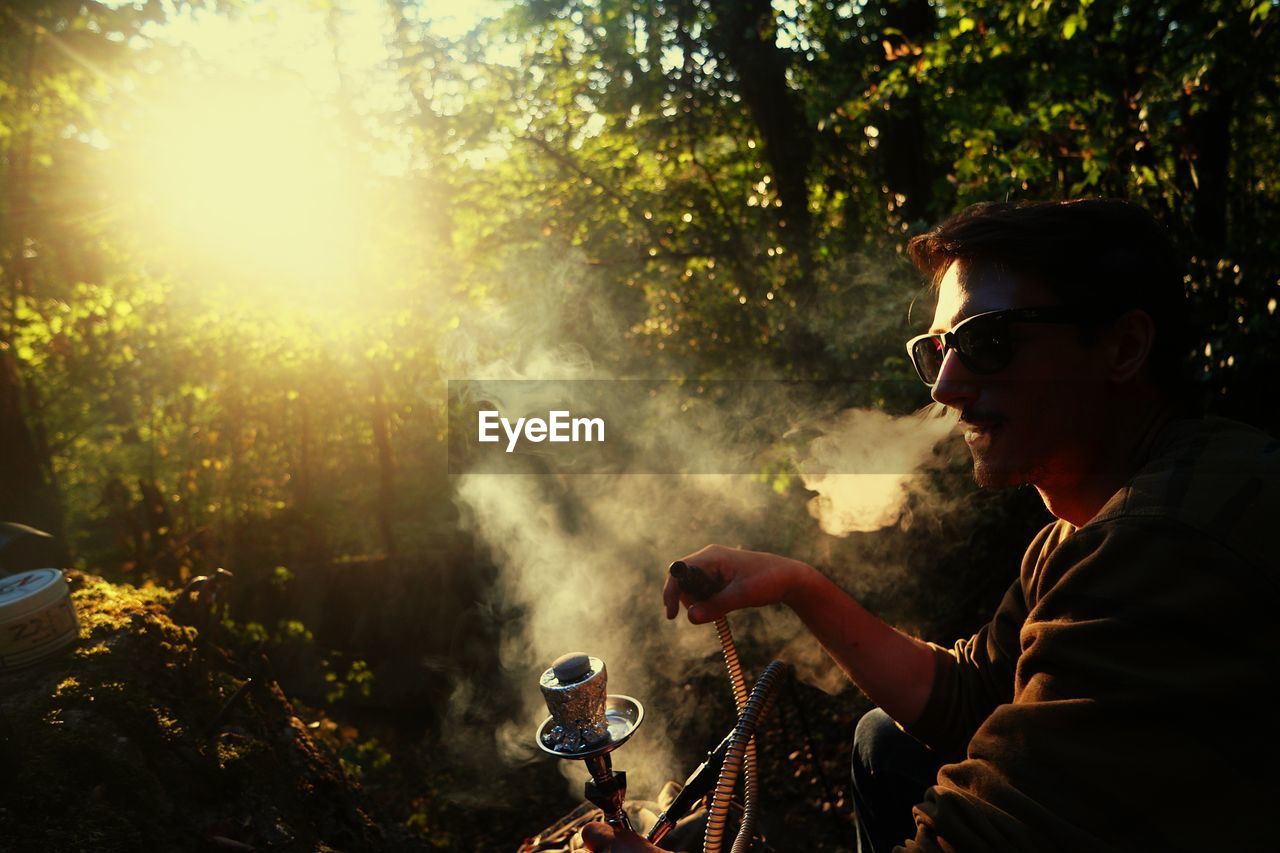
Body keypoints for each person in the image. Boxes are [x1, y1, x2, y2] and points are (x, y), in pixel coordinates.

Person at [580, 198, 1280, 852]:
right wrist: (796, 584)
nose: (945, 387)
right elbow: (970, 697)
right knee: (887, 741)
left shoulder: (1161, 547)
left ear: (1123, 348)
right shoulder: (1083, 529)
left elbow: (974, 836)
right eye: (938, 349)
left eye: (988, 341)